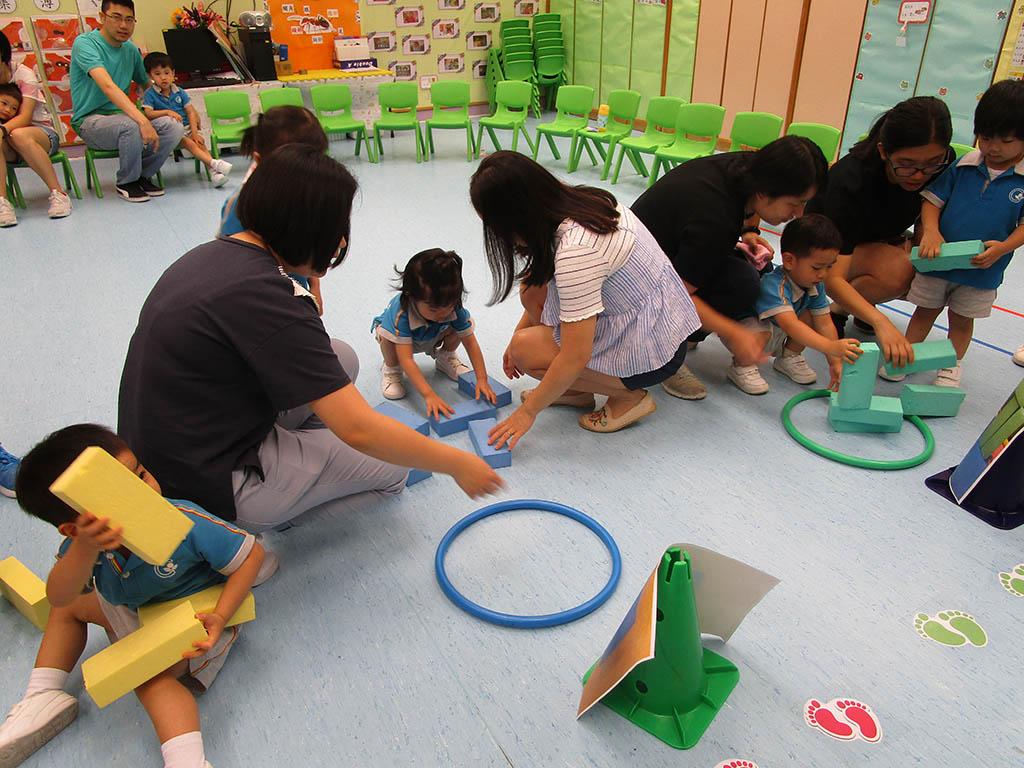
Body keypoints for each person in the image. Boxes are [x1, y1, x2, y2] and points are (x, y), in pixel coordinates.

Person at [119, 144, 501, 534]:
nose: (340, 243)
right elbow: (360, 430)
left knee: (342, 357)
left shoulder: (216, 254)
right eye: (337, 230)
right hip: (214, 482)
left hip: (178, 445)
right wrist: (457, 462)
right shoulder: (272, 297)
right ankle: (248, 526)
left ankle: (297, 463)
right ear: (308, 229)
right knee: (396, 467)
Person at [0, 424, 266, 768]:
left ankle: (187, 761)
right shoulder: (83, 546)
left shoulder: (184, 521)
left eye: (140, 474)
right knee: (66, 610)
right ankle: (41, 693)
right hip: (131, 609)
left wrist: (221, 615)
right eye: (122, 496)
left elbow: (252, 557)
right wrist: (84, 547)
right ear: (75, 529)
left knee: (149, 678)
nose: (145, 491)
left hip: (194, 619)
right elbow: (60, 595)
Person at [470, 151, 700, 443]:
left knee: (526, 352)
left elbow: (575, 356)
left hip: (656, 349)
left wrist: (527, 412)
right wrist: (518, 333)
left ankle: (630, 397)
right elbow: (545, 284)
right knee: (531, 290)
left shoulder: (577, 253)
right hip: (656, 320)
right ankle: (577, 391)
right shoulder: (583, 201)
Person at [631, 136, 827, 400]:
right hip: (633, 279)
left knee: (744, 278)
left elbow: (741, 210)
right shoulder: (715, 218)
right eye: (795, 203)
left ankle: (681, 336)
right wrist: (735, 332)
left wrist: (747, 231)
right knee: (738, 284)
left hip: (664, 250)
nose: (799, 213)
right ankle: (664, 356)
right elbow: (676, 294)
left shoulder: (747, 166)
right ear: (764, 191)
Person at [891, 80, 1024, 388]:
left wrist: (1003, 248)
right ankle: (905, 356)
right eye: (985, 137)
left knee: (961, 322)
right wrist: (932, 233)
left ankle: (950, 365)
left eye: (1005, 140)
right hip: (938, 262)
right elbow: (932, 203)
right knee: (924, 312)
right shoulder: (963, 166)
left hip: (981, 270)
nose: (992, 147)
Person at [810, 97, 953, 368]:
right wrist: (882, 323)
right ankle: (836, 310)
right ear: (883, 151)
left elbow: (930, 202)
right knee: (899, 271)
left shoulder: (941, 164)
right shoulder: (851, 180)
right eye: (907, 164)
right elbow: (833, 277)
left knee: (931, 264)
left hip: (879, 240)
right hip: (823, 250)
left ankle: (856, 304)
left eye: (932, 162)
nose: (919, 174)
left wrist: (927, 234)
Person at [70, 0, 185, 202]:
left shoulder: (130, 50)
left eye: (129, 20)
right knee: (130, 124)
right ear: (102, 17)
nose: (123, 25)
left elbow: (148, 86)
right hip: (90, 122)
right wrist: (142, 120)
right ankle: (127, 181)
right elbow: (107, 86)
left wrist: (177, 109)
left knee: (173, 125)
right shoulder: (85, 43)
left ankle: (142, 175)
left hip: (124, 117)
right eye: (116, 18)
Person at [736, 214, 862, 394]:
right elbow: (791, 326)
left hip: (778, 330)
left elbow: (825, 323)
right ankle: (742, 365)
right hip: (748, 330)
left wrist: (835, 361)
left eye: (829, 267)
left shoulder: (814, 285)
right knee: (761, 333)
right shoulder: (775, 285)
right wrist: (830, 346)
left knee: (813, 314)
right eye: (817, 267)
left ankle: (788, 356)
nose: (823, 274)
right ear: (789, 261)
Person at [219, 105, 327, 309]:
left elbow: (308, 245)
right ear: (260, 161)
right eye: (294, 169)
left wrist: (314, 289)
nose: (308, 176)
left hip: (295, 287)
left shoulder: (302, 189)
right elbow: (231, 265)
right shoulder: (242, 207)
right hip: (257, 297)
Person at [373, 248, 496, 416]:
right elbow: (407, 359)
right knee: (387, 338)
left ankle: (446, 357)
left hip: (435, 335)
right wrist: (429, 395)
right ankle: (392, 370)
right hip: (405, 342)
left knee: (464, 326)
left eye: (449, 306)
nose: (442, 314)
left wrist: (482, 379)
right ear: (411, 296)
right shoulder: (401, 314)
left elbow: (470, 342)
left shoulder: (452, 308)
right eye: (434, 309)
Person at [0, 31, 73, 225]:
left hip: (42, 135)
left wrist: (2, 131)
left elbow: (24, 117)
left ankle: (59, 193)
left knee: (17, 134)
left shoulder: (23, 74)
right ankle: (2, 203)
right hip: (7, 142)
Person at [141, 52, 232, 187]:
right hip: (168, 132)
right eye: (157, 74)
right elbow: (148, 114)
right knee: (190, 144)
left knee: (199, 142)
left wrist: (194, 132)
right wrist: (167, 112)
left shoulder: (180, 92)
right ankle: (214, 163)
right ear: (150, 76)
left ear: (173, 73)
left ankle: (215, 174)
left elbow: (190, 113)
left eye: (166, 73)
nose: (163, 78)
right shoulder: (150, 94)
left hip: (187, 128)